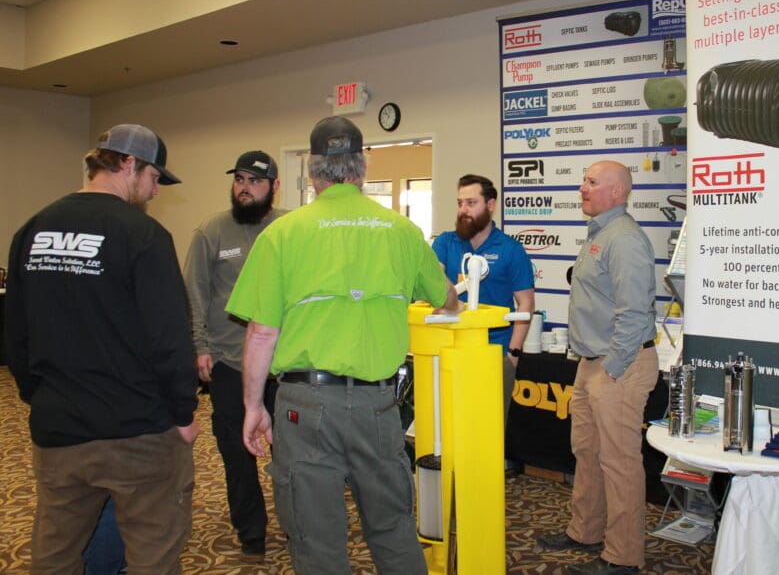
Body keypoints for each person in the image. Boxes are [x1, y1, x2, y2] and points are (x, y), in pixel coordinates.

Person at [226, 115, 461, 574]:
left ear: (313, 171)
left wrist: (253, 406)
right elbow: (446, 298)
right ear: (361, 167)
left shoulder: (283, 233)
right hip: (378, 407)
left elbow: (261, 332)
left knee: (316, 539)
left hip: (304, 405)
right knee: (392, 527)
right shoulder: (402, 231)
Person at [5, 123, 199, 574]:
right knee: (154, 552)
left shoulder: (32, 230)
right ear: (129, 165)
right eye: (154, 178)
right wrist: (184, 413)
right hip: (138, 433)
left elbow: (14, 335)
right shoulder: (144, 236)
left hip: (59, 432)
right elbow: (169, 340)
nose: (154, 191)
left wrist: (42, 396)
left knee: (55, 555)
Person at [536, 160, 659, 575]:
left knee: (619, 461)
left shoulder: (623, 239)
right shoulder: (600, 233)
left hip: (618, 365)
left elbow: (634, 312)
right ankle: (585, 532)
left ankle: (623, 557)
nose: (582, 187)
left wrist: (611, 369)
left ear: (617, 191)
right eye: (584, 180)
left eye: (591, 182)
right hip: (592, 363)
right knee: (587, 453)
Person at [182, 150, 286, 561]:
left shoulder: (289, 228)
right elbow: (195, 291)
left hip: (283, 365)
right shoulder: (212, 231)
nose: (244, 187)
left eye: (254, 181)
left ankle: (297, 524)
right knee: (236, 453)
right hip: (228, 361)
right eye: (239, 179)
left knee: (290, 453)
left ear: (274, 187)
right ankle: (251, 530)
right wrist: (200, 346)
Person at [431, 174, 535, 421]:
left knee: (489, 424)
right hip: (450, 349)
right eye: (459, 203)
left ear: (490, 205)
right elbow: (434, 284)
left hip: (495, 352)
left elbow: (526, 302)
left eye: (471, 203)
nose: (463, 210)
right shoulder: (445, 243)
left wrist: (513, 354)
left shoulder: (510, 249)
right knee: (451, 422)